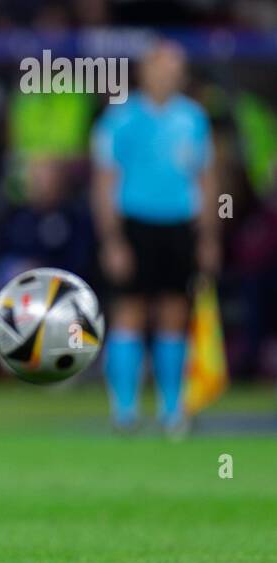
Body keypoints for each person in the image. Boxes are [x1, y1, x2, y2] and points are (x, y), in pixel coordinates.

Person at [91, 40, 219, 435]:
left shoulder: (194, 118)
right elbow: (104, 183)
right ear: (144, 72)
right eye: (161, 66)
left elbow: (206, 179)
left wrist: (209, 236)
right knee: (129, 313)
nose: (169, 74)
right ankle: (124, 411)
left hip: (179, 224)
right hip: (135, 224)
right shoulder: (119, 120)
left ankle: (171, 410)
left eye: (175, 67)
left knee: (175, 314)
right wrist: (112, 240)